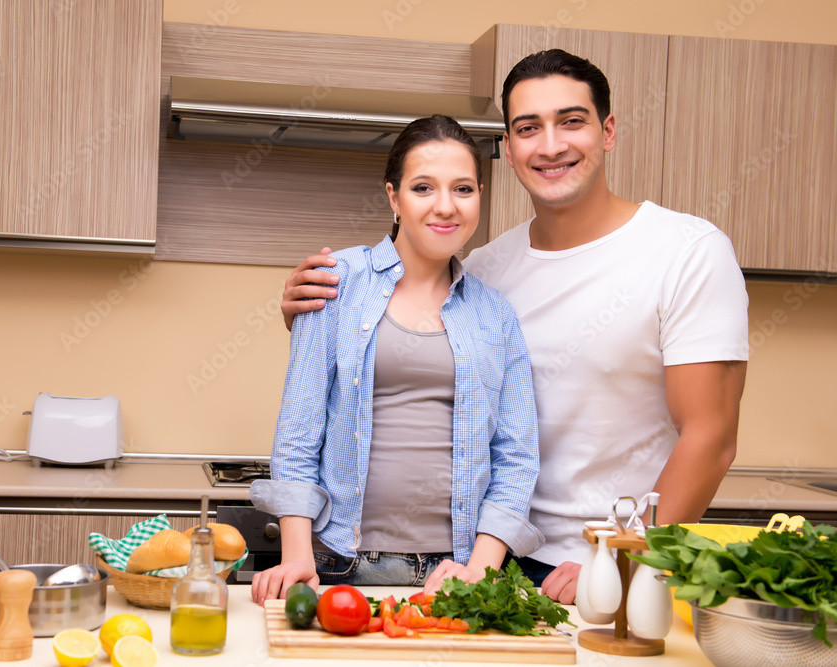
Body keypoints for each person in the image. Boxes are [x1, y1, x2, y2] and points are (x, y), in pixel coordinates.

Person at [279, 50, 749, 604]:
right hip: (487, 561)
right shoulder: (481, 271)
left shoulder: (687, 252)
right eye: (529, 128)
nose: (550, 145)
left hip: (603, 565)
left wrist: (622, 555)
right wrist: (307, 320)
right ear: (508, 147)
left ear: (609, 130)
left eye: (571, 121)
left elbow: (711, 438)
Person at [249, 115, 544, 605]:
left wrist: (479, 570)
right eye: (423, 187)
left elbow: (516, 458)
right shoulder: (335, 281)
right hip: (339, 564)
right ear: (393, 197)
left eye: (463, 189)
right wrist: (297, 556)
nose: (445, 206)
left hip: (454, 573)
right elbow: (299, 434)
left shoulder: (496, 314)